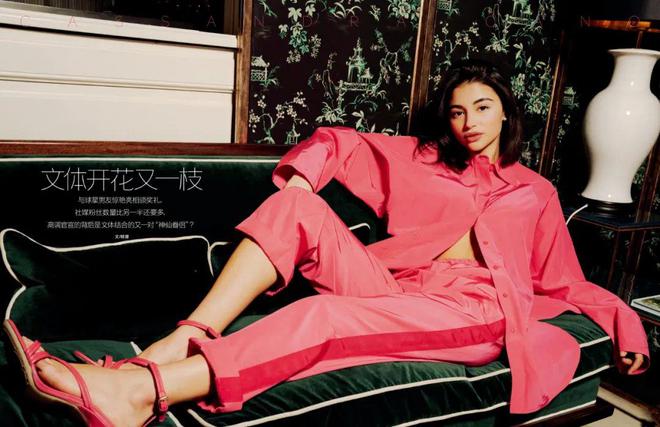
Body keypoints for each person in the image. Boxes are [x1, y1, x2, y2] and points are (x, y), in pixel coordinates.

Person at [4, 60, 650, 427]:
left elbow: (563, 280)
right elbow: (340, 140)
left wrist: (626, 322)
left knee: (324, 314)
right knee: (295, 206)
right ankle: (185, 335)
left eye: (481, 107)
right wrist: (303, 180)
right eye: (457, 111)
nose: (468, 122)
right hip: (398, 285)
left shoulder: (535, 190)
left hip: (473, 307)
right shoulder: (425, 159)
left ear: (505, 111)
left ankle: (142, 389)